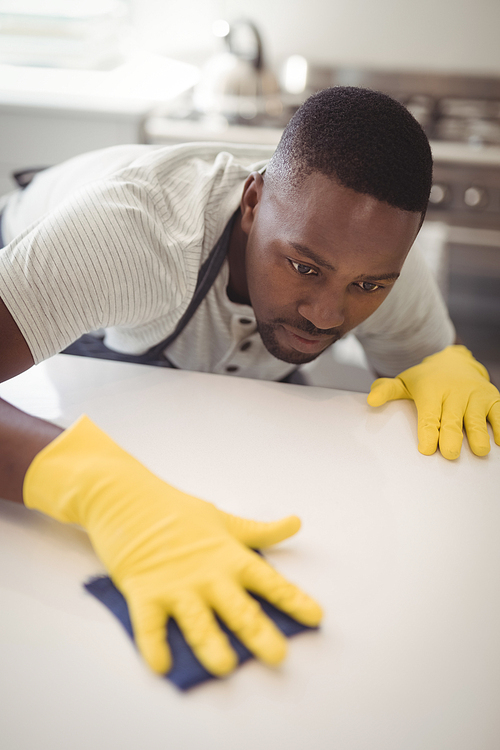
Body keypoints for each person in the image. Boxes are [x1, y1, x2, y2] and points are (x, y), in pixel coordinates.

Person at [0, 87, 498, 679]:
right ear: (254, 201)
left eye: (368, 288)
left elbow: (426, 368)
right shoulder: (135, 239)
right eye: (304, 267)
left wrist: (440, 361)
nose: (326, 315)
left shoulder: (376, 258)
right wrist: (97, 488)